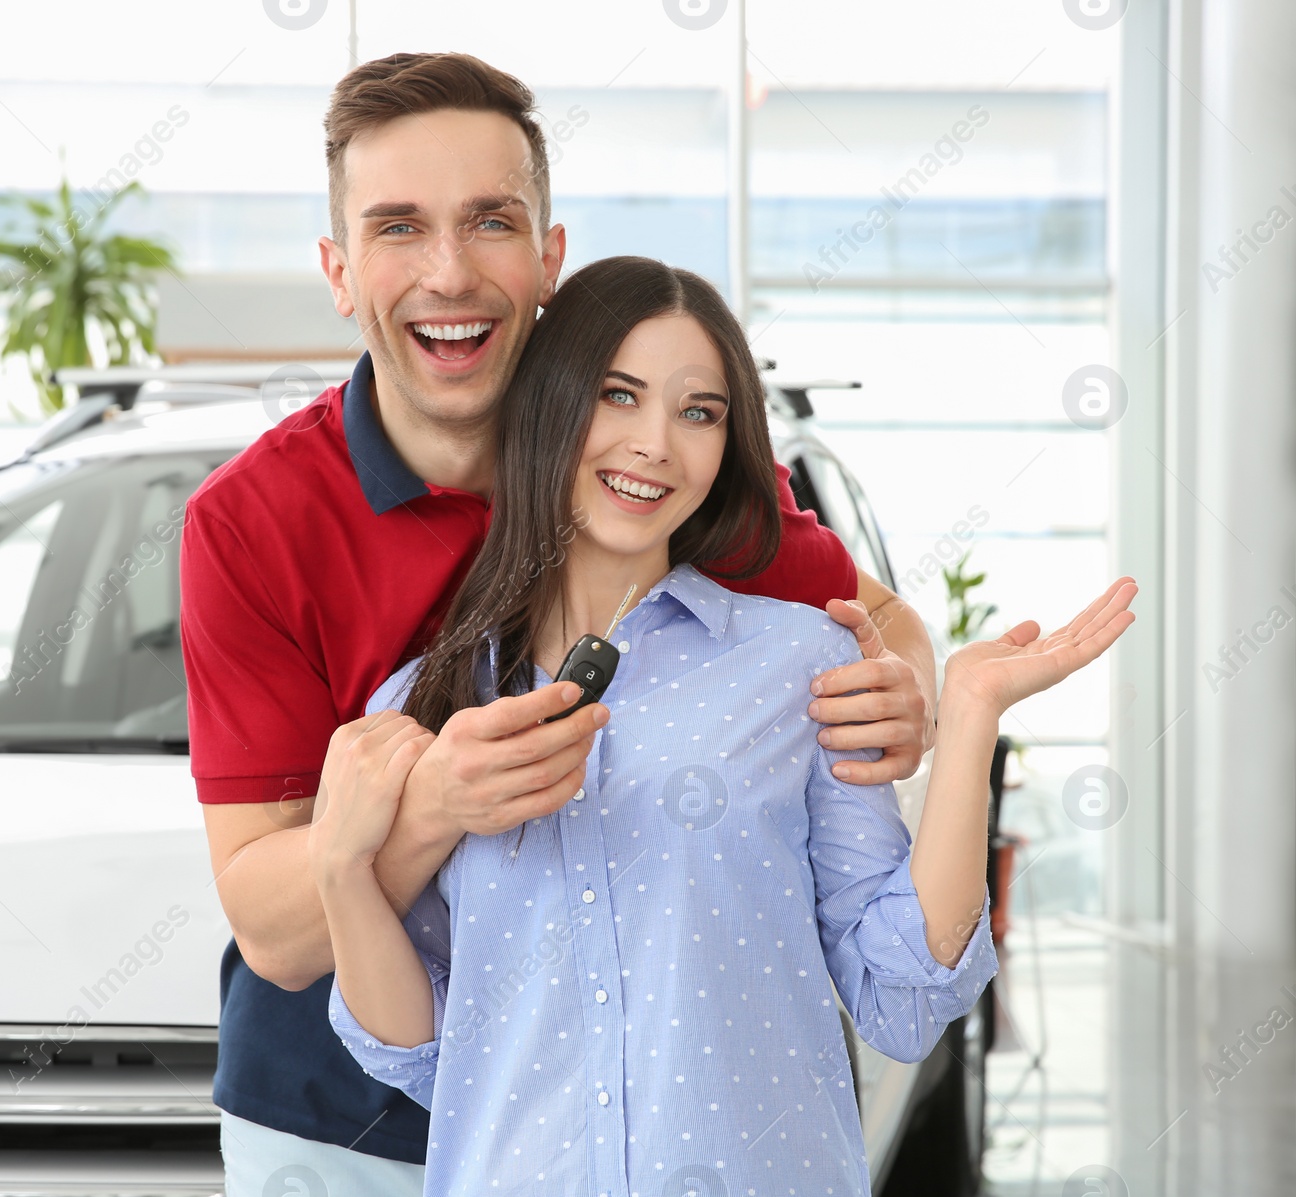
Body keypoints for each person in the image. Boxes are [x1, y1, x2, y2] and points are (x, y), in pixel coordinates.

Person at [181, 53, 948, 1195]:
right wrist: (434, 801)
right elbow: (281, 934)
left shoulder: (640, 462)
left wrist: (918, 695)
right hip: (335, 1131)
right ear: (340, 272)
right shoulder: (252, 523)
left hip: (640, 1122)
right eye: (398, 227)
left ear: (547, 257)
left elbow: (870, 619)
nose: (448, 270)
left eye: (489, 220)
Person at [312, 255, 1139, 1196]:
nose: (656, 443)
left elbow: (901, 999)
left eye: (698, 411)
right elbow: (417, 1051)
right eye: (618, 396)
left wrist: (972, 717)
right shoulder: (426, 705)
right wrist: (340, 870)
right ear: (548, 406)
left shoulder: (801, 666)